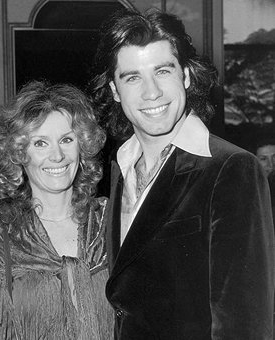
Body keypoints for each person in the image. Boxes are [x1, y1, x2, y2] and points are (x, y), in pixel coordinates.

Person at [89, 8, 274, 338]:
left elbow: (244, 324)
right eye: (133, 77)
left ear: (186, 76)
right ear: (115, 91)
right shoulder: (121, 168)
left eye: (163, 71)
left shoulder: (230, 168)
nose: (151, 93)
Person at [0, 80, 112, 339]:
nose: (57, 156)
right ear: (18, 154)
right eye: (40, 143)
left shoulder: (110, 224)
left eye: (66, 139)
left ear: (83, 146)